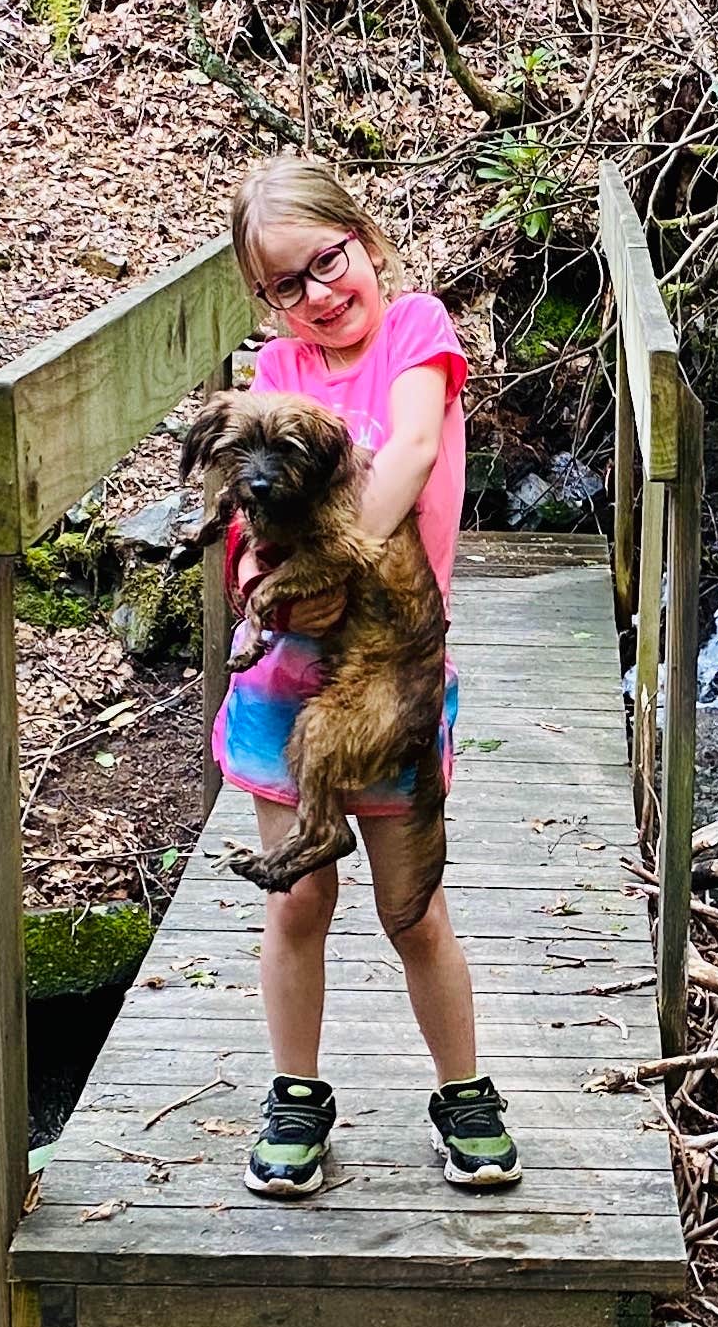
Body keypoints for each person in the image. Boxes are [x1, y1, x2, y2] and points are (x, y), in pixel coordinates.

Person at [217, 155, 520, 1201]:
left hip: (392, 666)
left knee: (411, 907)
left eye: (328, 262)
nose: (317, 295)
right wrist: (263, 575)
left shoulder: (416, 332)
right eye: (286, 286)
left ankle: (464, 1091)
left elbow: (414, 450)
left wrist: (337, 558)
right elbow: (247, 518)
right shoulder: (276, 375)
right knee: (298, 898)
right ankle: (296, 1094)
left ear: (368, 244)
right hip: (283, 679)